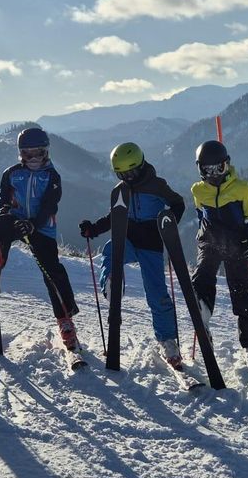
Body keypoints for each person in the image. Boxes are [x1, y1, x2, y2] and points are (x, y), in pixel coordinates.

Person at [78, 142, 187, 368]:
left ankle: (168, 340)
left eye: (132, 172)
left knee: (157, 294)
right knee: (109, 250)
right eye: (122, 173)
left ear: (142, 164)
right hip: (127, 239)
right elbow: (114, 216)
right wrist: (94, 229)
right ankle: (111, 281)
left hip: (151, 244)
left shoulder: (157, 186)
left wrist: (170, 220)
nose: (128, 176)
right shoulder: (120, 190)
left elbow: (178, 202)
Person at [0, 127, 81, 351]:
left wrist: (34, 224)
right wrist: (7, 216)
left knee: (52, 271)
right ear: (20, 154)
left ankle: (65, 320)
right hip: (17, 219)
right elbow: (4, 201)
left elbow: (50, 205)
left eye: (38, 153)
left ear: (47, 153)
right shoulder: (11, 173)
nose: (33, 159)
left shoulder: (52, 176)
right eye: (27, 154)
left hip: (41, 228)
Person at [189, 140, 248, 373]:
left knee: (243, 293)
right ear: (200, 169)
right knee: (203, 273)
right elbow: (200, 214)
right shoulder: (198, 190)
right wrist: (205, 235)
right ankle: (202, 313)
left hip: (237, 244)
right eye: (207, 170)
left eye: (219, 168)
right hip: (211, 240)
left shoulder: (242, 188)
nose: (214, 174)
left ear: (227, 165)